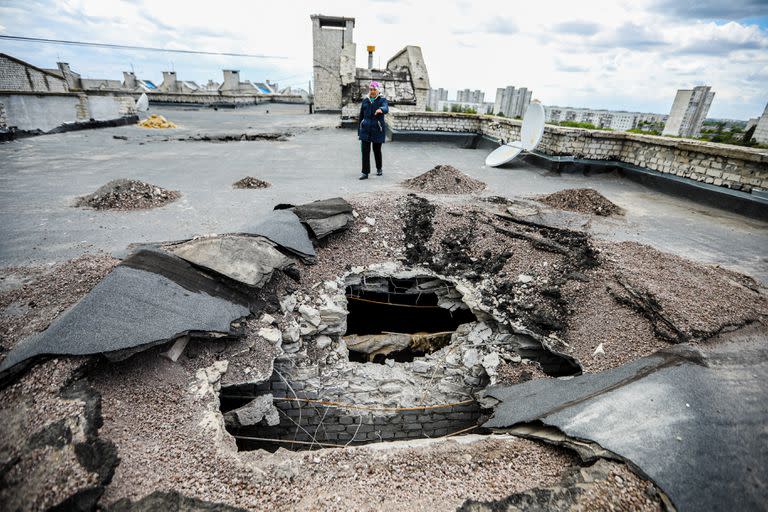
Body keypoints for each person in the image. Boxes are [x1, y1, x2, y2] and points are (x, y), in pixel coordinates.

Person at [357, 81, 389, 180]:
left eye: (374, 89)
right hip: (365, 129)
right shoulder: (365, 101)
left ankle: (379, 168)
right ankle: (365, 172)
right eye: (371, 89)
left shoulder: (382, 100)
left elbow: (386, 108)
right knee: (365, 151)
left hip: (377, 129)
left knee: (377, 150)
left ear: (378, 90)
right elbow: (361, 116)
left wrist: (381, 110)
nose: (372, 91)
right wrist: (359, 130)